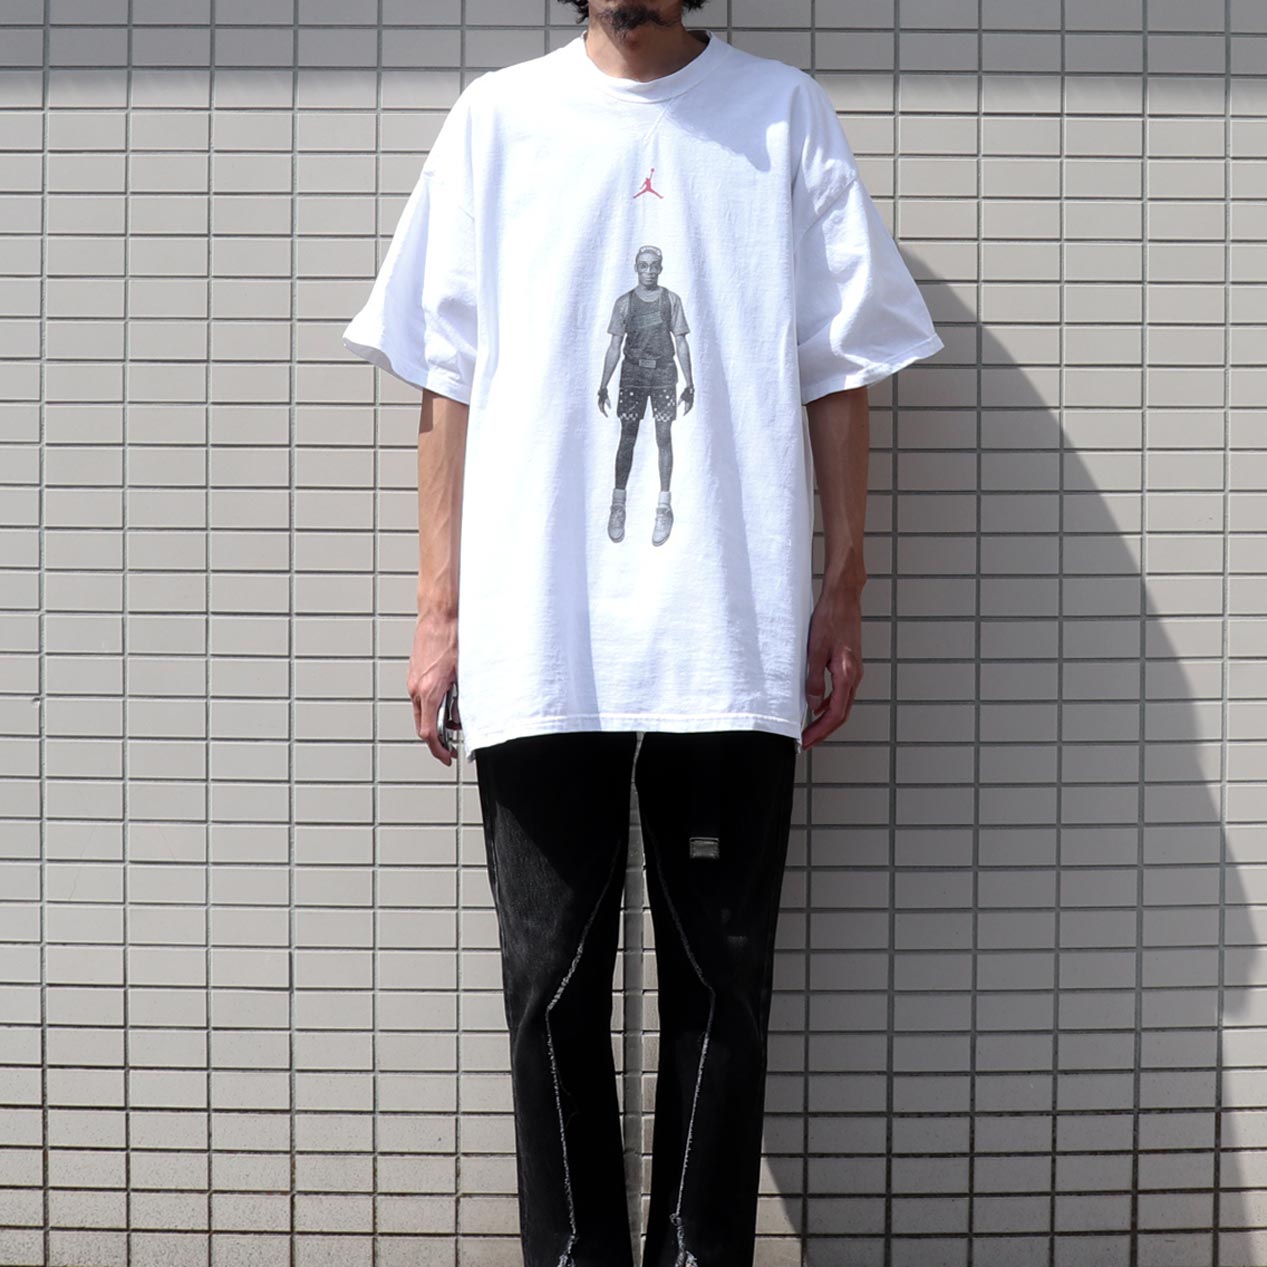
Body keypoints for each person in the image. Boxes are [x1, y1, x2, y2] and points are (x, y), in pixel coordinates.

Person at [342, 1, 944, 1263]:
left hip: (725, 632)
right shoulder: (499, 122)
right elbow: (443, 376)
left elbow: (839, 365)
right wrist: (438, 610)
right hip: (538, 631)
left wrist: (842, 585)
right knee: (550, 987)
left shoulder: (782, 117)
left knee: (720, 984)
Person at [598, 244, 695, 545]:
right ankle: (618, 505)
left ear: (660, 269)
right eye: (644, 265)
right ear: (636, 268)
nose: (649, 271)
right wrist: (603, 384)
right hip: (633, 373)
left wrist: (689, 383)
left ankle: (664, 506)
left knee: (663, 436)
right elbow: (614, 346)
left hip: (663, 374)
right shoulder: (624, 303)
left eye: (654, 266)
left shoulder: (671, 300)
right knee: (627, 436)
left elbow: (681, 343)